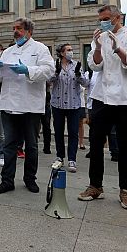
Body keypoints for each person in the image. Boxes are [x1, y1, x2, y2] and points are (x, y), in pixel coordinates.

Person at [79, 5, 127, 210]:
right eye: (101, 19)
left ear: (119, 18)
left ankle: (125, 190)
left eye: (107, 18)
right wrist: (99, 47)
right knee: (96, 143)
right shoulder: (100, 37)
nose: (103, 22)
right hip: (101, 97)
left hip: (126, 99)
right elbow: (94, 65)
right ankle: (95, 186)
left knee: (126, 146)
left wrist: (119, 49)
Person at [0, 17, 55, 194]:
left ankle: (30, 179)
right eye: (14, 28)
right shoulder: (8, 51)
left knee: (31, 145)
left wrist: (28, 70)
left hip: (30, 105)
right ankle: (7, 180)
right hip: (9, 104)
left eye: (19, 28)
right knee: (9, 144)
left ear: (29, 31)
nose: (15, 31)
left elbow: (49, 71)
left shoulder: (40, 49)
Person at [49, 44, 87, 173]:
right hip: (57, 104)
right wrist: (56, 72)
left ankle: (72, 159)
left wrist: (78, 75)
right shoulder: (55, 65)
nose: (71, 52)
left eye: (71, 50)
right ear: (61, 53)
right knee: (58, 132)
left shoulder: (77, 65)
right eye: (68, 50)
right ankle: (60, 157)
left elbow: (85, 83)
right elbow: (48, 81)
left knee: (73, 132)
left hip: (73, 104)